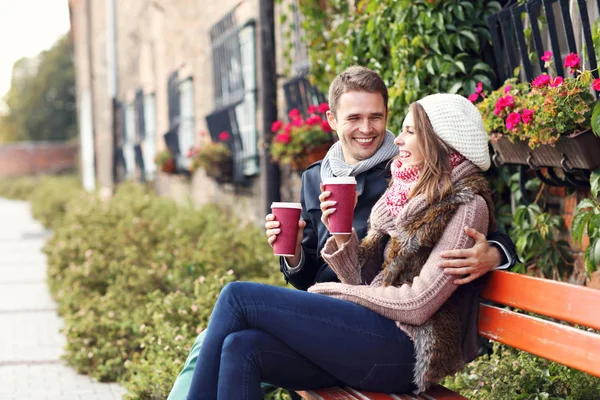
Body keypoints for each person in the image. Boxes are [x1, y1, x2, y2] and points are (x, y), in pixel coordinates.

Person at [167, 66, 516, 400]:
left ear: (438, 140)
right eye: (355, 118)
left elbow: (418, 303)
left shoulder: (458, 198)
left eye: (407, 131)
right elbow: (360, 279)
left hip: (403, 345)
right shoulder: (401, 187)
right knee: (240, 347)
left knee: (237, 297)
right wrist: (338, 237)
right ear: (334, 121)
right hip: (358, 328)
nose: (398, 139)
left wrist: (497, 252)